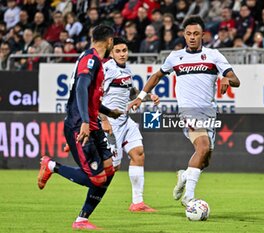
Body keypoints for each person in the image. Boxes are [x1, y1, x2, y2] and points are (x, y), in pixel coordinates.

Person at [128, 16, 240, 207]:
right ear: (184, 35)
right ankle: (189, 197)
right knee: (203, 147)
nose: (192, 37)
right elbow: (156, 76)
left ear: (203, 35)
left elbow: (235, 79)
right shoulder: (176, 56)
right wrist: (141, 96)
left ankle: (185, 175)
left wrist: (227, 80)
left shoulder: (214, 55)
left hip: (209, 114)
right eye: (188, 34)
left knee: (205, 159)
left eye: (196, 34)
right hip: (188, 112)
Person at [37, 25, 122, 230]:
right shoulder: (91, 59)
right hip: (79, 125)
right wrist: (84, 121)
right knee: (97, 177)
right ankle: (51, 166)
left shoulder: (95, 60)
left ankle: (82, 219)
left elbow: (90, 96)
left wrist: (108, 113)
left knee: (109, 170)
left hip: (93, 124)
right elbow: (81, 88)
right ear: (110, 42)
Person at [101, 37, 159, 212]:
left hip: (125, 121)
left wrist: (148, 97)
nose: (122, 54)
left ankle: (137, 203)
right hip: (111, 123)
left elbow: (131, 92)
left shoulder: (127, 69)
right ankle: (55, 168)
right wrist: (103, 120)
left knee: (138, 154)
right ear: (111, 53)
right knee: (111, 168)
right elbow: (94, 98)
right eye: (118, 51)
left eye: (124, 50)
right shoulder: (106, 70)